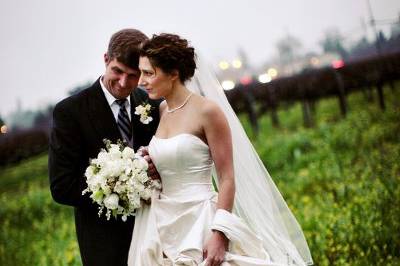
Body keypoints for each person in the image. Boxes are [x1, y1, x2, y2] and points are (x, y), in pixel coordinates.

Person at [128, 33, 313, 266]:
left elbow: (227, 178)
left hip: (200, 221)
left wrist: (219, 233)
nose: (141, 81)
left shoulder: (208, 112)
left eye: (148, 73)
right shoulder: (163, 110)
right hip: (162, 223)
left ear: (174, 73)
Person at [48, 29, 161, 266]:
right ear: (106, 59)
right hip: (105, 243)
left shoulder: (150, 103)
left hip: (154, 233)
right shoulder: (70, 112)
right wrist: (120, 185)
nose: (123, 83)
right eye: (117, 71)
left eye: (133, 75)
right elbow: (61, 186)